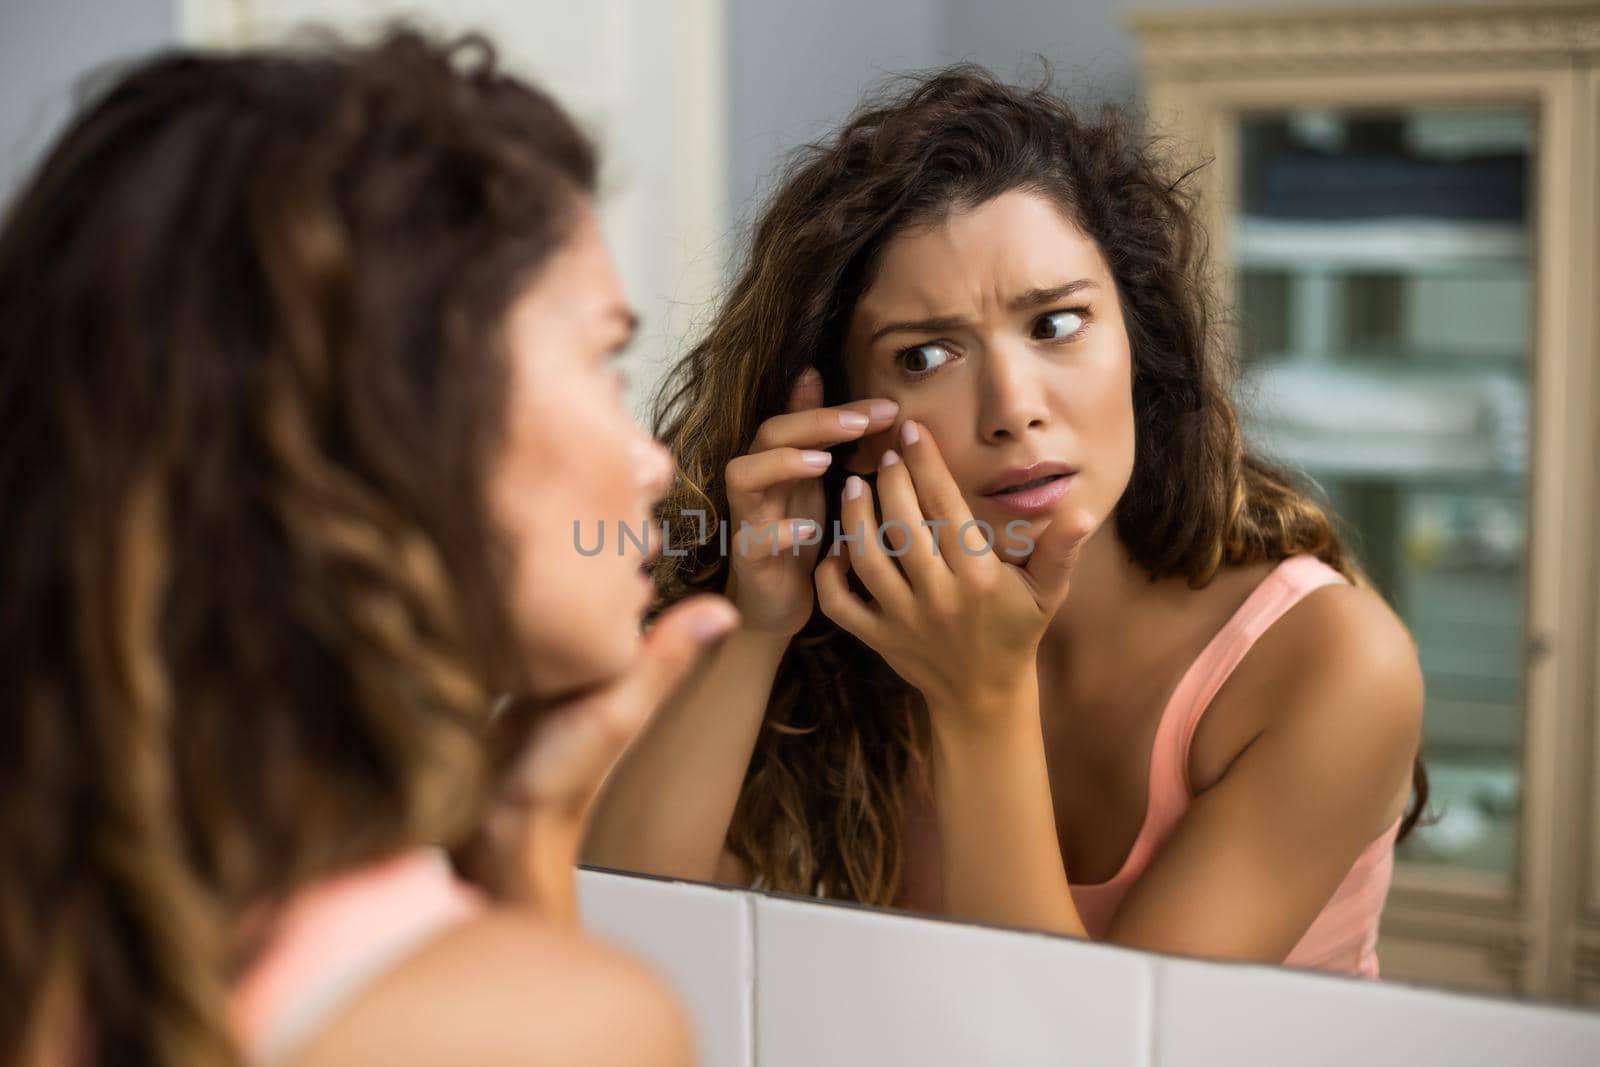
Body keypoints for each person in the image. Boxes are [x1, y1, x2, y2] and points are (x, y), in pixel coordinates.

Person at [583, 65, 1431, 979]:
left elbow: (1081, 1043)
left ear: (1139, 343)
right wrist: (758, 627)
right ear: (844, 414)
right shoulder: (867, 628)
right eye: (928, 354)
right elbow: (625, 936)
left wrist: (980, 698)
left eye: (1058, 324)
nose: (1013, 407)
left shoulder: (1333, 662)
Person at [0, 23, 736, 1067]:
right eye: (604, 357)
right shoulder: (560, 1027)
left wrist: (522, 840)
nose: (652, 459)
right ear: (404, 414)